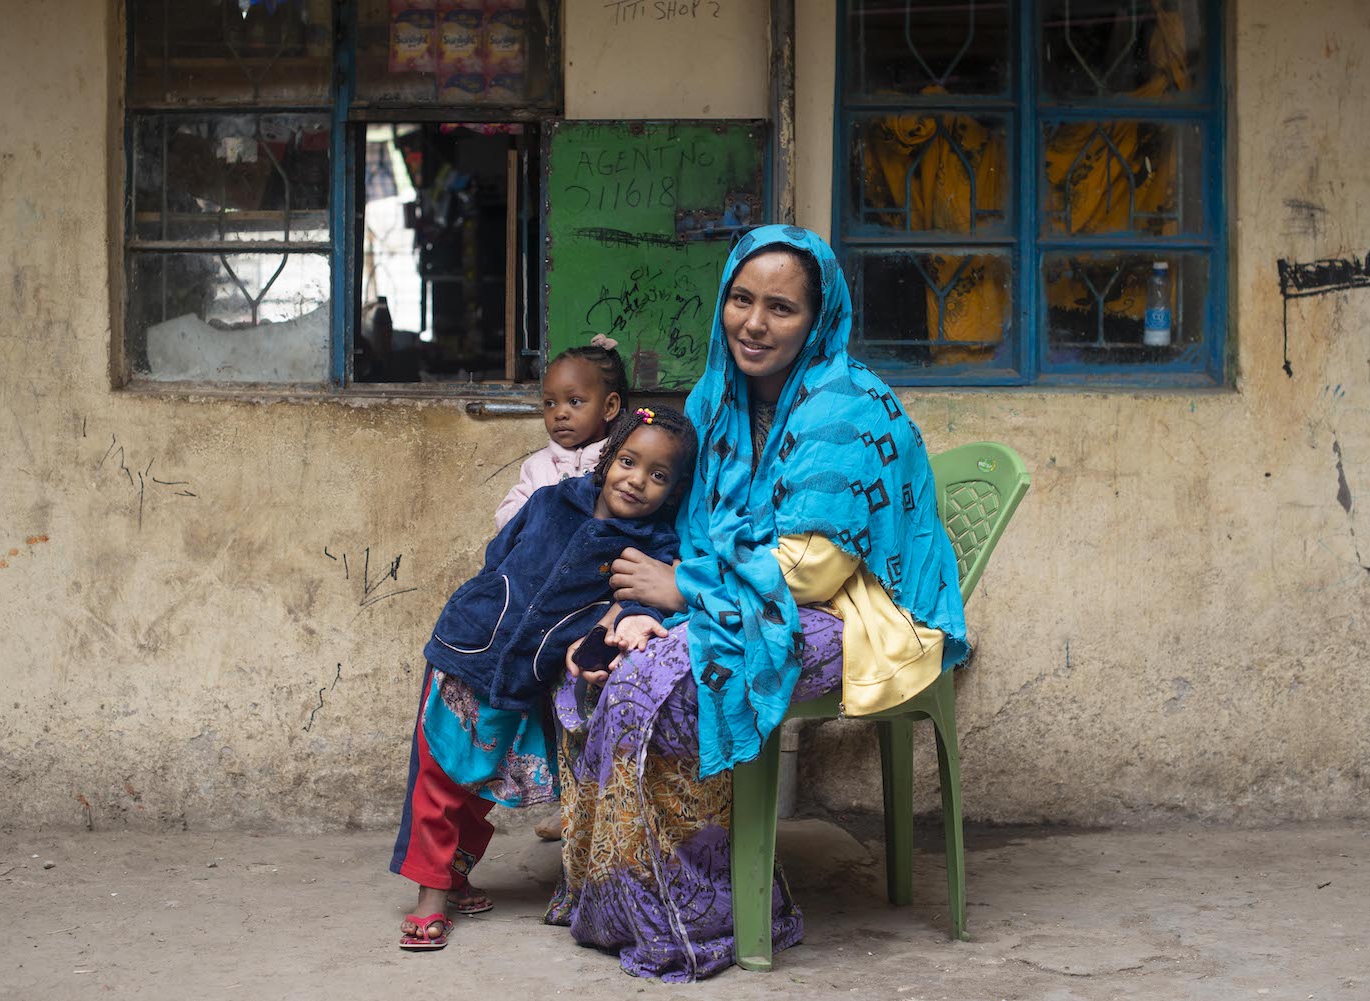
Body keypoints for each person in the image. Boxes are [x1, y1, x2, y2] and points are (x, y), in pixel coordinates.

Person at [545, 225, 969, 980]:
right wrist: (644, 608)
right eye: (742, 299)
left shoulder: (847, 403)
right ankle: (621, 894)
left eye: (781, 308)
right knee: (602, 658)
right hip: (748, 589)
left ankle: (706, 909)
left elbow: (816, 565)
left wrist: (683, 591)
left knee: (668, 686)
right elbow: (690, 524)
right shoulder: (716, 398)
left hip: (857, 607)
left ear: (819, 318)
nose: (753, 322)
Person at [390, 404, 699, 951]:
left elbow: (634, 607)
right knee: (439, 775)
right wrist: (488, 603)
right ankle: (430, 896)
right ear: (608, 458)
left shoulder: (653, 548)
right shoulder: (551, 501)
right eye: (628, 461)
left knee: (483, 780)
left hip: (528, 675)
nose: (637, 480)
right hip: (468, 650)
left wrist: (608, 634)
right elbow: (499, 556)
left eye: (658, 475)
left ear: (674, 490)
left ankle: (455, 874)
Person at [494, 339, 629, 530]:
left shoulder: (622, 463)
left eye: (574, 401)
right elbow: (504, 519)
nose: (559, 413)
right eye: (550, 403)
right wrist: (540, 512)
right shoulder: (538, 466)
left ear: (609, 407)